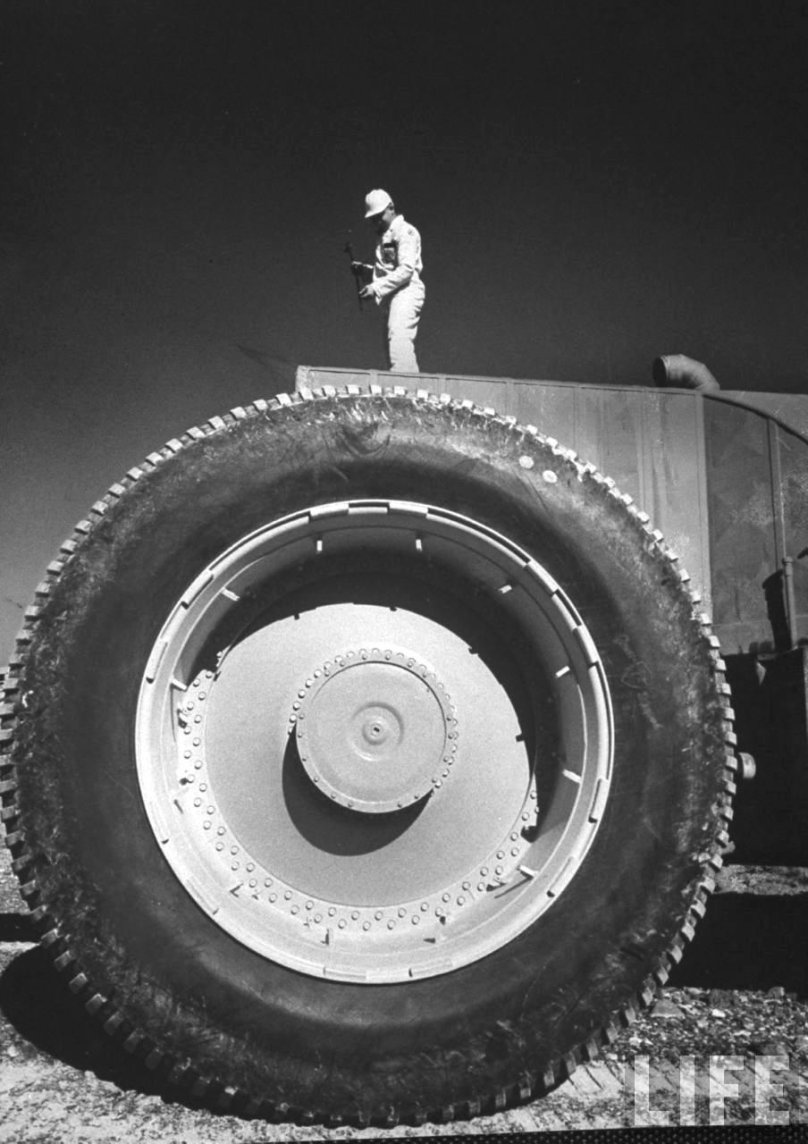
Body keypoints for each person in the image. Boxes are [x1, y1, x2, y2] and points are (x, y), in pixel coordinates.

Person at [354, 189, 425, 373]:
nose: (376, 222)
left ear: (391, 208)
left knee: (398, 337)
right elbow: (386, 273)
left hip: (407, 291)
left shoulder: (405, 231)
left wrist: (375, 287)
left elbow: (406, 270)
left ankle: (406, 388)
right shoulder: (384, 238)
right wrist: (365, 272)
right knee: (391, 348)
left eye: (379, 216)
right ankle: (408, 388)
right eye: (372, 219)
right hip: (392, 296)